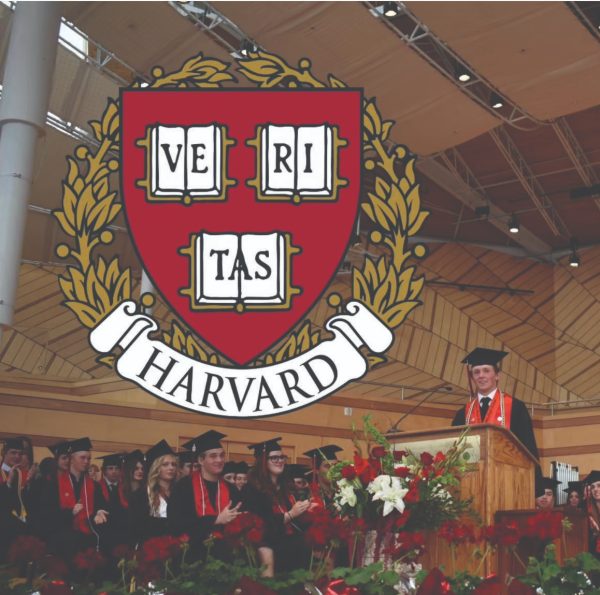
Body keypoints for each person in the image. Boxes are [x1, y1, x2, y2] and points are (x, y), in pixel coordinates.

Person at [452, 348, 539, 462]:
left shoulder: (515, 408)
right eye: (476, 372)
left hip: (508, 474)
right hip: (473, 476)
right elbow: (454, 451)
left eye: (486, 371)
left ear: (497, 375)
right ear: (472, 378)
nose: (481, 375)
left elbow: (528, 449)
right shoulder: (463, 414)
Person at [243, 438, 315, 576]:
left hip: (288, 539)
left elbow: (294, 519)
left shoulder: (286, 487)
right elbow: (260, 523)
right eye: (274, 458)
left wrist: (305, 509)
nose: (280, 461)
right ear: (263, 462)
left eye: (282, 457)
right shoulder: (252, 489)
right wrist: (290, 515)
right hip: (267, 541)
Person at [169, 430, 242, 560]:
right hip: (192, 554)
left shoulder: (231, 489)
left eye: (222, 455)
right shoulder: (183, 487)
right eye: (213, 456)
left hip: (226, 555)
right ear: (201, 460)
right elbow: (176, 523)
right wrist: (215, 520)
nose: (219, 460)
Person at [36, 438, 108, 561]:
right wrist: (70, 512)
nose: (87, 461)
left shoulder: (93, 485)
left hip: (87, 530)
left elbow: (100, 504)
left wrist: (100, 511)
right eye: (83, 458)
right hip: (62, 532)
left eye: (89, 458)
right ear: (72, 459)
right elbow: (46, 513)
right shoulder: (54, 484)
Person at [129, 440, 177, 545]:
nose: (171, 468)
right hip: (151, 546)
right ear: (156, 468)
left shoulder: (180, 491)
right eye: (165, 464)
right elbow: (137, 526)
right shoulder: (142, 494)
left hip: (176, 546)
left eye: (173, 464)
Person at [0, 437, 28, 561]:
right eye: (13, 452)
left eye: (20, 453)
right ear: (4, 453)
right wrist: (9, 482)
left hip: (16, 521)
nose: (17, 456)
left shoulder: (19, 473)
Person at [97, 453, 129, 555]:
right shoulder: (96, 487)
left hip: (122, 533)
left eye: (116, 468)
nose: (114, 471)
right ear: (104, 471)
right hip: (103, 533)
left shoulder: (125, 488)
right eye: (110, 468)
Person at [585, 470, 600, 557]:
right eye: (593, 487)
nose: (595, 489)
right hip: (594, 554)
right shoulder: (587, 511)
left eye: (599, 486)